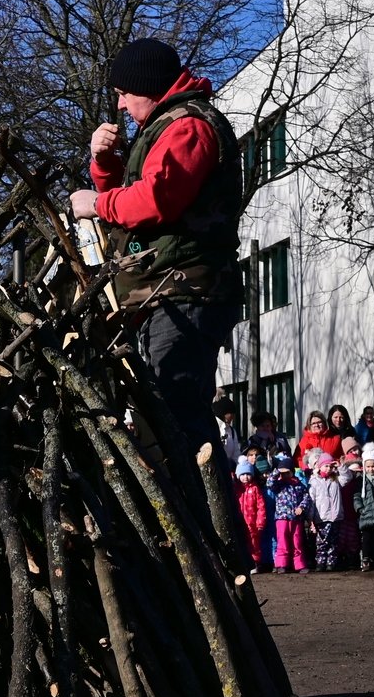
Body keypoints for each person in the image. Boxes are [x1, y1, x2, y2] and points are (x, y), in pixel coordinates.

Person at [70, 37, 242, 469]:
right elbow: (133, 212)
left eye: (124, 94)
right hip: (166, 292)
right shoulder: (166, 126)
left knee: (182, 419)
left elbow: (155, 201)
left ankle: (213, 530)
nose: (122, 106)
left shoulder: (188, 127)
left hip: (187, 292)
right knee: (167, 418)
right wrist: (104, 163)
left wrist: (96, 203)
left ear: (146, 87)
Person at [306, 450, 350, 571]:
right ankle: (320, 562)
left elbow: (347, 477)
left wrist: (340, 466)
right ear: (320, 466)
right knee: (322, 542)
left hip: (335, 517)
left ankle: (331, 562)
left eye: (330, 466)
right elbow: (311, 501)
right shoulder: (314, 482)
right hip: (321, 517)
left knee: (333, 542)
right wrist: (311, 519)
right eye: (326, 466)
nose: (328, 469)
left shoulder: (336, 480)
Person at [269, 453, 310, 574]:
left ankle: (299, 564)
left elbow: (306, 497)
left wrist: (301, 507)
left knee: (297, 541)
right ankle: (281, 564)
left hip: (296, 518)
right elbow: (270, 483)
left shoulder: (299, 485)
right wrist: (278, 471)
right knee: (283, 541)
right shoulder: (278, 485)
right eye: (283, 473)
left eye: (287, 472)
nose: (285, 475)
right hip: (282, 518)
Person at [234, 459, 271, 572]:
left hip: (252, 524)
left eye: (248, 474)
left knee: (254, 544)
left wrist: (260, 522)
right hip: (240, 523)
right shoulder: (236, 489)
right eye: (243, 474)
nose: (245, 477)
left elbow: (261, 507)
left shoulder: (255, 489)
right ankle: (244, 563)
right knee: (242, 543)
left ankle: (255, 563)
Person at [213, 398, 242, 464]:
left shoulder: (231, 431)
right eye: (231, 414)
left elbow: (236, 454)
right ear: (224, 413)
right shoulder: (212, 427)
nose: (233, 417)